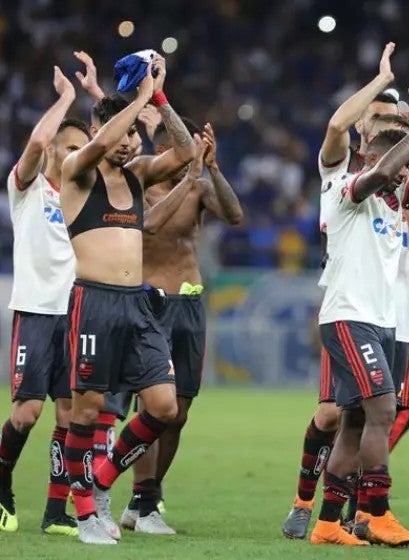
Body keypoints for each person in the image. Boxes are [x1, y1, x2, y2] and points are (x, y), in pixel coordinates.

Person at [283, 34, 409, 540]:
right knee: (375, 409)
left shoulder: (397, 196)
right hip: (349, 312)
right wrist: (391, 92)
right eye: (404, 162)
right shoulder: (344, 186)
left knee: (359, 419)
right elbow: (369, 155)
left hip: (391, 317)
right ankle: (373, 513)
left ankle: (326, 523)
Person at [59, 57, 196, 545]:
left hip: (137, 305)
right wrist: (135, 100)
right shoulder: (77, 171)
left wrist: (157, 99)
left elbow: (185, 151)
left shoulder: (137, 175)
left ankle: (99, 482)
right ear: (101, 127)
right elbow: (96, 145)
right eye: (122, 132)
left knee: (163, 407)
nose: (128, 140)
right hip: (93, 301)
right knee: (88, 409)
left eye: (135, 134)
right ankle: (84, 516)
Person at [117, 119, 243, 534]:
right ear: (166, 147)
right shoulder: (136, 178)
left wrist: (215, 171)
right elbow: (149, 225)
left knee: (180, 412)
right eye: (184, 148)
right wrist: (188, 177)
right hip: (150, 304)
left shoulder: (200, 187)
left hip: (190, 304)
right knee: (154, 405)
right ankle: (142, 498)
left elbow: (235, 215)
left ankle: (150, 498)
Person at [0, 66, 89, 537]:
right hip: (36, 310)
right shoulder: (28, 189)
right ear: (55, 150)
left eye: (82, 149)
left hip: (74, 314)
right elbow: (35, 146)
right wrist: (67, 99)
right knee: (27, 412)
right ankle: (2, 488)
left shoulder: (84, 198)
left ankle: (56, 512)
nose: (77, 156)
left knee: (69, 414)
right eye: (70, 147)